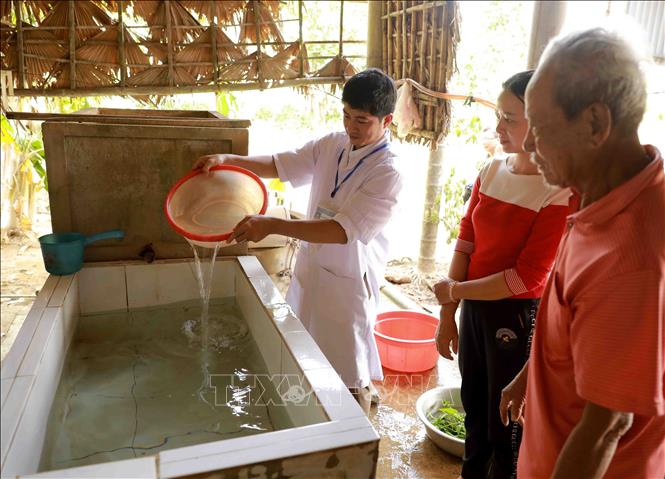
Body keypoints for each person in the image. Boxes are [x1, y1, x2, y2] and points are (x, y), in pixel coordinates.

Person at [499, 28, 665, 479]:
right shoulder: (597, 194)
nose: (529, 145)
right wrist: (530, 376)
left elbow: (607, 426)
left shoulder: (633, 258)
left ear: (595, 124)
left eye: (540, 127)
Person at [194, 69, 401, 413]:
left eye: (362, 120)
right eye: (347, 115)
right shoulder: (333, 144)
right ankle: (314, 417)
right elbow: (282, 164)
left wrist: (273, 224)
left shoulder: (388, 172)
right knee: (309, 351)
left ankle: (358, 434)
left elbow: (340, 231)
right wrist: (230, 161)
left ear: (387, 120)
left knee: (350, 370)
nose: (351, 126)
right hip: (311, 268)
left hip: (348, 282)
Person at [433, 70, 574, 479]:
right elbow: (466, 242)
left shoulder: (558, 191)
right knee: (474, 406)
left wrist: (456, 290)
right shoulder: (491, 171)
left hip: (515, 314)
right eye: (500, 115)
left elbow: (527, 279)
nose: (498, 126)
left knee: (506, 425)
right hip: (474, 307)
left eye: (511, 118)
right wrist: (448, 314)